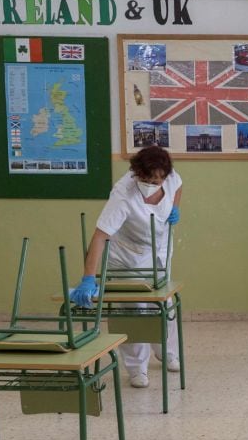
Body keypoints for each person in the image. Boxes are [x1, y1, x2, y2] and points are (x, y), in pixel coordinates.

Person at [70, 146, 182, 388]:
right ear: (137, 174)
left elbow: (179, 186)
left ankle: (167, 351)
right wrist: (88, 277)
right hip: (127, 256)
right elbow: (100, 236)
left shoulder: (169, 176)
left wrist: (175, 207)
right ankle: (136, 369)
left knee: (166, 304)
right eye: (149, 179)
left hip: (159, 249)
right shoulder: (123, 194)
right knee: (134, 310)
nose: (154, 183)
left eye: (158, 180)